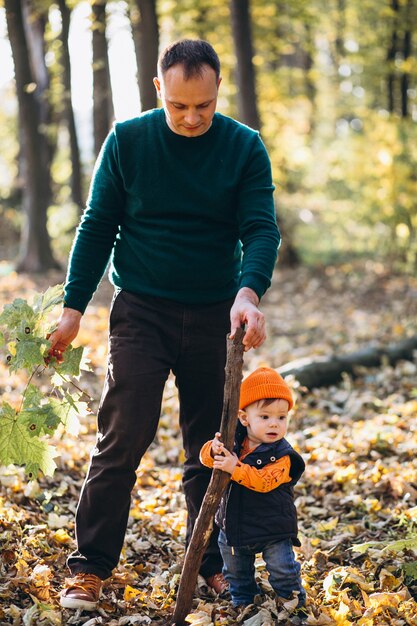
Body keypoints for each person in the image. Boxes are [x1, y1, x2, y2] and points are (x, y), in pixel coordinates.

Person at [50, 39, 280, 612]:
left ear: (218, 90)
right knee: (123, 434)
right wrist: (74, 308)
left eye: (202, 105)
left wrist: (248, 293)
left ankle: (211, 566)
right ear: (159, 90)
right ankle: (89, 568)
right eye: (180, 105)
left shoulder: (243, 147)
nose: (192, 117)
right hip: (141, 311)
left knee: (212, 447)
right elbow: (97, 224)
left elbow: (261, 228)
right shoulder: (128, 141)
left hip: (214, 317)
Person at [200, 367, 306, 616]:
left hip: (273, 527)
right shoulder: (232, 439)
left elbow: (263, 481)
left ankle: (293, 604)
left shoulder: (284, 456)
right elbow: (205, 459)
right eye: (265, 416)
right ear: (245, 418)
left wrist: (234, 467)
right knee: (236, 569)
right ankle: (243, 600)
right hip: (234, 523)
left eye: (281, 417)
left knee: (282, 569)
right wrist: (213, 450)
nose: (274, 424)